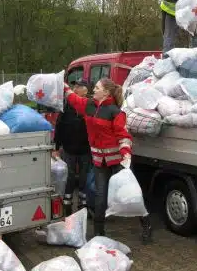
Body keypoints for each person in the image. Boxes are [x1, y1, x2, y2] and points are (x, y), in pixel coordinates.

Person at [64, 78, 152, 243]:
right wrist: (63, 87)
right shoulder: (89, 106)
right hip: (99, 162)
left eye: (97, 88)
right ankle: (99, 234)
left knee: (131, 195)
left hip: (118, 162)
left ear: (106, 92)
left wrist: (126, 153)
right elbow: (74, 99)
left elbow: (123, 135)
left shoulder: (115, 112)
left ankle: (146, 224)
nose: (94, 90)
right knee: (100, 196)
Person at [53, 79, 92, 216]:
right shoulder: (66, 105)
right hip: (68, 149)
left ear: (86, 90)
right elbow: (59, 127)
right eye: (74, 86)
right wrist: (56, 147)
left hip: (86, 150)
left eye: (79, 86)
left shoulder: (90, 105)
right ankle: (67, 205)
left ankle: (83, 205)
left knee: (84, 178)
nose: (75, 88)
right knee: (68, 177)